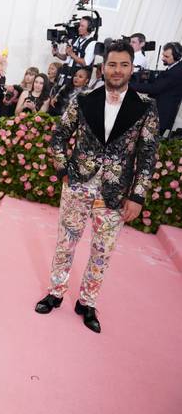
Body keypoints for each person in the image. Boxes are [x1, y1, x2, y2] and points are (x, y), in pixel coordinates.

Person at [35, 40, 160, 334]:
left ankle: (87, 302)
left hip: (115, 193)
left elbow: (147, 155)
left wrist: (137, 196)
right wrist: (64, 169)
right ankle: (56, 292)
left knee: (102, 251)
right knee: (66, 242)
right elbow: (58, 136)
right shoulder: (83, 99)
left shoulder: (146, 106)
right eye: (112, 64)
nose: (117, 70)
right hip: (78, 183)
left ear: (132, 68)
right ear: (103, 68)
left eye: (123, 65)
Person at [131, 42, 182, 134]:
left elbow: (155, 88)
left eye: (166, 57)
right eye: (163, 55)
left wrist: (128, 85)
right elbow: (160, 76)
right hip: (157, 114)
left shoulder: (177, 72)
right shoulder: (175, 67)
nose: (163, 58)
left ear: (177, 57)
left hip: (161, 116)